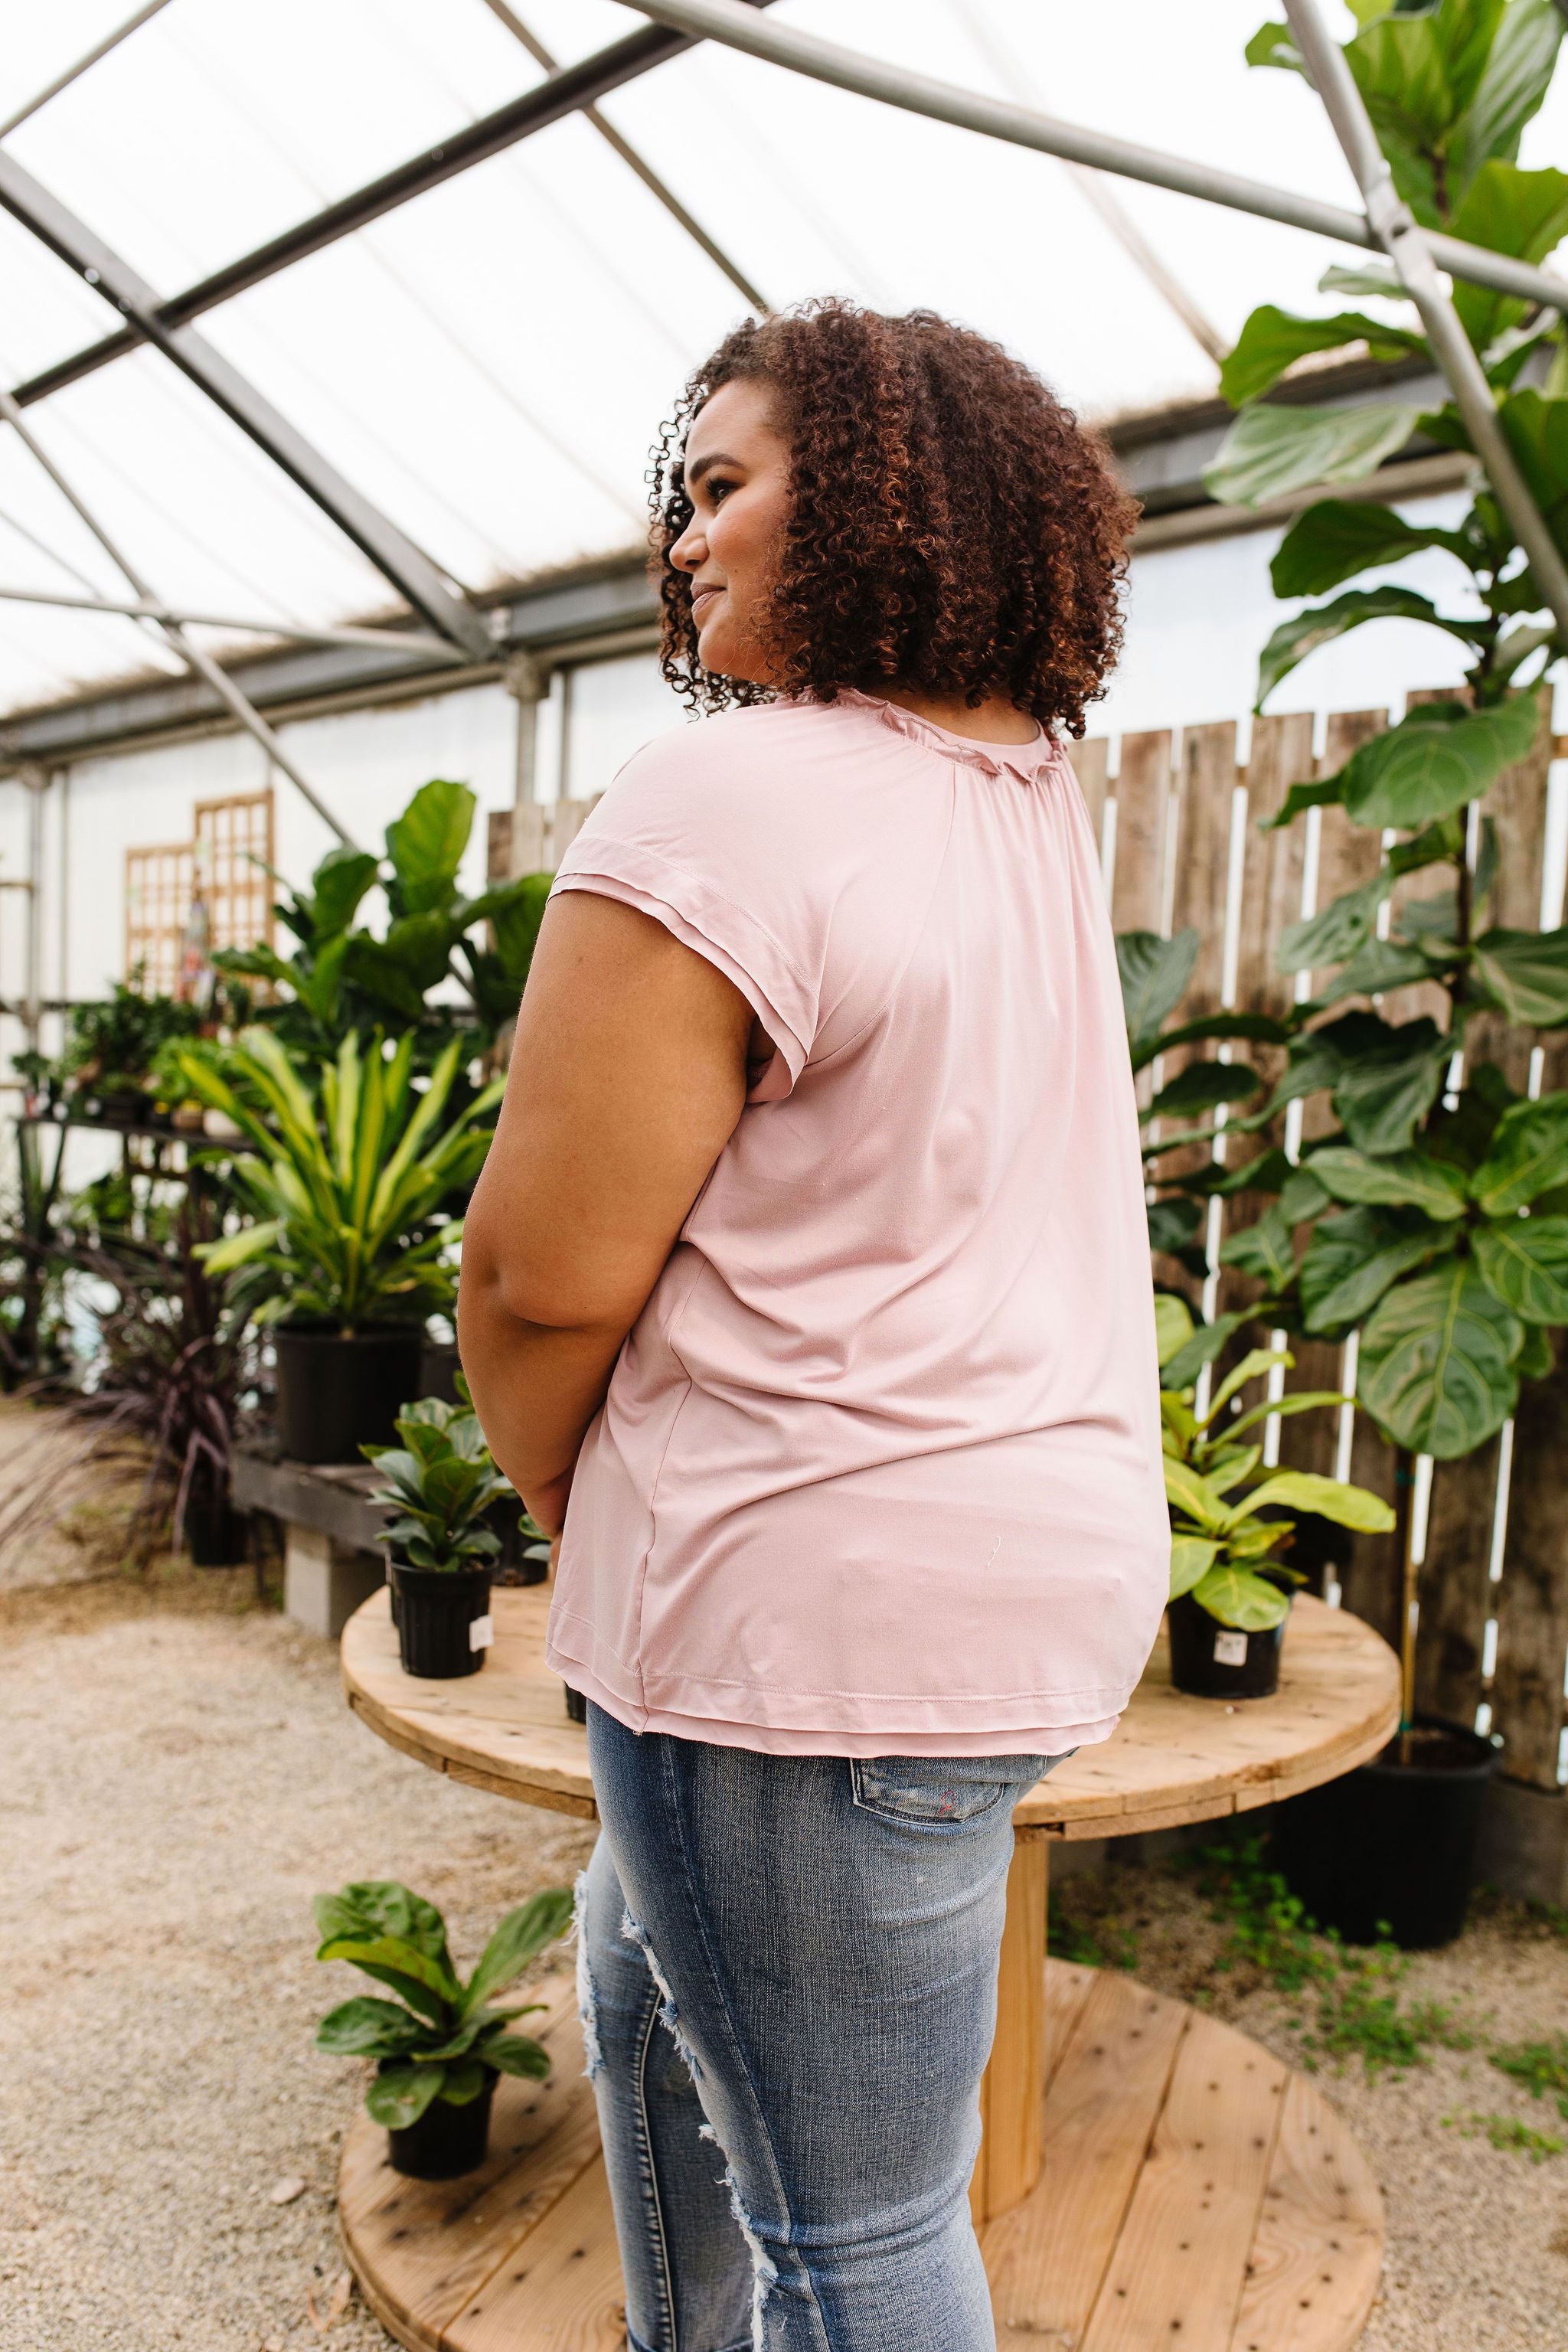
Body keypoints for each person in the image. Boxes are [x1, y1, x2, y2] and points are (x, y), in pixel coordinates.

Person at [459, 300, 1167, 2352]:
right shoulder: (1019, 793)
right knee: (634, 1964)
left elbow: (536, 1276)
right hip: (1006, 1585)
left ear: (874, 495)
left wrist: (551, 1491)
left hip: (801, 1625)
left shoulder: (733, 801)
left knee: (855, 2238)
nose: (681, 543)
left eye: (721, 487)